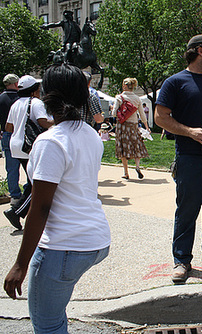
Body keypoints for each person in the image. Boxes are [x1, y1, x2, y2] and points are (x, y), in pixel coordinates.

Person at [3, 63, 111, 333]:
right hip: (96, 240)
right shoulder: (90, 134)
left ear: (47, 95)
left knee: (47, 324)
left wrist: (20, 264)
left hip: (64, 247)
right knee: (55, 312)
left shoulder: (51, 141)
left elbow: (40, 207)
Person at [155, 34, 202, 283]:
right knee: (187, 210)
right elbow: (160, 118)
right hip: (189, 158)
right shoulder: (175, 82)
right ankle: (182, 260)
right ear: (201, 51)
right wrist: (190, 132)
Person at [4, 75, 53, 230]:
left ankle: (18, 210)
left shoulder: (16, 104)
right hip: (29, 147)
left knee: (32, 181)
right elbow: (42, 122)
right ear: (33, 90)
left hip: (16, 145)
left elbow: (8, 127)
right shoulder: (36, 103)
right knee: (37, 183)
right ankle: (16, 211)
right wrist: (59, 120)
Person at [111, 78, 150, 180]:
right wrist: (146, 126)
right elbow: (142, 115)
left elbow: (114, 113)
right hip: (133, 125)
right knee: (136, 145)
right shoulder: (137, 99)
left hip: (122, 126)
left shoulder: (119, 97)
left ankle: (126, 172)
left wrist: (114, 110)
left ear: (124, 86)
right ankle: (137, 166)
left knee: (123, 148)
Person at [0, 74, 22, 204]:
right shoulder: (20, 99)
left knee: (11, 167)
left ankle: (14, 195)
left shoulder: (1, 98)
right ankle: (30, 189)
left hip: (6, 134)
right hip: (20, 134)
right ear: (15, 84)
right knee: (28, 164)